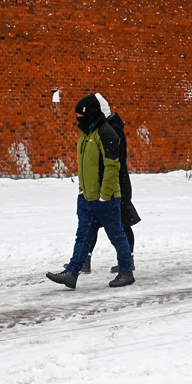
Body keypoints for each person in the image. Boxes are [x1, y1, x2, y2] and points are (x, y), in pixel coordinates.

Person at [46, 93, 135, 289]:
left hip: (106, 199)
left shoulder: (107, 134)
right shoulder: (85, 137)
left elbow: (113, 167)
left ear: (92, 114)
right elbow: (84, 167)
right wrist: (81, 191)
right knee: (83, 236)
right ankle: (72, 272)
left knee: (116, 235)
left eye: (81, 116)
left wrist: (105, 195)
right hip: (86, 198)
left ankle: (126, 271)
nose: (78, 120)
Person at [80, 94, 141, 274]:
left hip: (116, 185)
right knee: (94, 222)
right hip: (107, 183)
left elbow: (114, 162)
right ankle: (85, 260)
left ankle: (127, 261)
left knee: (121, 223)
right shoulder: (105, 129)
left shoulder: (111, 130)